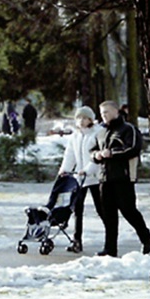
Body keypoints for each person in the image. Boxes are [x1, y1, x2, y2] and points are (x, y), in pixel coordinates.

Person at [91, 100, 150, 258]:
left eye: (106, 112)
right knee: (109, 215)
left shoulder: (128, 129)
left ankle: (145, 236)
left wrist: (112, 153)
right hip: (105, 178)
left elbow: (133, 149)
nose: (103, 116)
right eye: (101, 113)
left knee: (128, 210)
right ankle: (110, 249)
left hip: (123, 177)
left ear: (115, 112)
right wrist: (96, 156)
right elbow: (93, 150)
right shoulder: (101, 132)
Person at [46, 105, 101, 252]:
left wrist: (88, 170)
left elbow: (98, 156)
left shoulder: (97, 133)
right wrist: (65, 170)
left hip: (95, 177)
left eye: (85, 118)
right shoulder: (75, 135)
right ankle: (77, 241)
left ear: (91, 119)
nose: (82, 121)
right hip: (79, 177)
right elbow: (70, 154)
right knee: (76, 208)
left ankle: (110, 242)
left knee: (101, 209)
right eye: (79, 118)